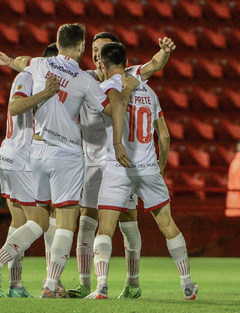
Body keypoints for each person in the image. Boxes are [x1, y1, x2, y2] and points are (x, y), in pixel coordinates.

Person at [0, 23, 129, 299]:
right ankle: (48, 284)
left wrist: (8, 60)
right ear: (82, 47)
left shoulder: (38, 65)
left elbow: (23, 61)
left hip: (36, 154)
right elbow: (111, 108)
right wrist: (118, 99)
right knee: (66, 223)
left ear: (58, 45)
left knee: (38, 221)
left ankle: (0, 267)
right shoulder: (84, 80)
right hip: (67, 155)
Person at [85, 42, 198, 300]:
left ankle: (101, 286)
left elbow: (113, 112)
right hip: (148, 169)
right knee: (168, 224)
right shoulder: (149, 90)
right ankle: (187, 284)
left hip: (118, 167)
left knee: (105, 229)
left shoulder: (105, 89)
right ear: (126, 62)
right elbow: (165, 135)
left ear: (102, 63)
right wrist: (161, 165)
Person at [68, 32, 176, 299]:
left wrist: (165, 51)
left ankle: (133, 283)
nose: (96, 54)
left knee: (129, 222)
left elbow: (154, 64)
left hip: (122, 163)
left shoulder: (129, 75)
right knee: (86, 222)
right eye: (93, 49)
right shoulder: (85, 78)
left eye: (101, 49)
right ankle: (85, 283)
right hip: (92, 163)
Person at [0, 44, 60, 298]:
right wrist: (46, 93)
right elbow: (15, 107)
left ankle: (16, 286)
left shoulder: (35, 79)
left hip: (11, 157)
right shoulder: (26, 78)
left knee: (19, 223)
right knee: (42, 221)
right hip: (21, 160)